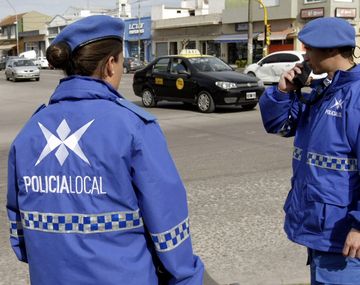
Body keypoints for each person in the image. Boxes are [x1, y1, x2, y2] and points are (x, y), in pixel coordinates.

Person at [7, 15, 204, 285]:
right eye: (122, 61)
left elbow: (20, 238)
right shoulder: (135, 127)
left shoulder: (30, 131)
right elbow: (169, 230)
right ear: (111, 64)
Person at [259, 17, 360, 284]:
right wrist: (283, 91)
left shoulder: (356, 97)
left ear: (331, 50)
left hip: (345, 236)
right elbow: (278, 125)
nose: (305, 56)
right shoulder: (321, 92)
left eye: (310, 49)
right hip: (319, 227)